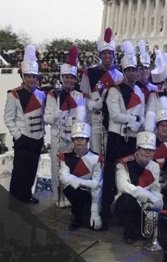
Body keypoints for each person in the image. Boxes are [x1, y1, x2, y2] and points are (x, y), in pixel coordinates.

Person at [101, 41, 145, 222]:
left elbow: (142, 115)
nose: (131, 73)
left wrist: (136, 122)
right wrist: (133, 119)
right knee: (110, 175)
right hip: (116, 138)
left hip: (132, 138)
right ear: (124, 71)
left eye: (134, 70)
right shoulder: (114, 90)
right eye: (128, 70)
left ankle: (123, 213)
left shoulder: (140, 91)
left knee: (128, 175)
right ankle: (105, 213)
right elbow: (115, 116)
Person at [4, 44, 46, 204]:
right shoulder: (14, 95)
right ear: (23, 76)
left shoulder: (42, 94)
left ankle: (27, 194)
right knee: (19, 171)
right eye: (28, 76)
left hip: (38, 138)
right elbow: (8, 118)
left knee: (32, 169)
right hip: (23, 138)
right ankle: (15, 200)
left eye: (34, 76)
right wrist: (18, 136)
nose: (31, 79)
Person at [45, 46, 83, 207]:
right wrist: (56, 115)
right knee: (56, 167)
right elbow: (46, 118)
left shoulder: (79, 95)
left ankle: (70, 197)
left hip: (73, 138)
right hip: (57, 137)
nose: (69, 80)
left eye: (72, 78)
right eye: (66, 77)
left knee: (71, 168)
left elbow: (81, 117)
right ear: (62, 77)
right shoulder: (53, 95)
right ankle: (57, 197)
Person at [58, 106, 104, 231]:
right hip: (75, 191)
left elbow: (97, 185)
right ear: (72, 140)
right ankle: (77, 217)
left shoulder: (96, 158)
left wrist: (95, 212)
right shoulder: (65, 157)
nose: (79, 141)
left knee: (95, 224)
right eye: (77, 138)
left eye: (82, 138)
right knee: (72, 190)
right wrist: (86, 183)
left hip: (91, 194)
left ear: (87, 140)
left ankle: (88, 213)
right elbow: (64, 178)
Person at [114, 130, 162, 243]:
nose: (148, 153)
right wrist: (148, 196)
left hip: (145, 204)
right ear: (138, 148)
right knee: (127, 198)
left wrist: (157, 202)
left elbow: (155, 188)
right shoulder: (124, 164)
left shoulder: (155, 166)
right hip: (128, 203)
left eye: (151, 150)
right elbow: (123, 186)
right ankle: (129, 232)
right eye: (144, 149)